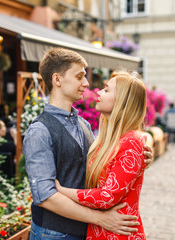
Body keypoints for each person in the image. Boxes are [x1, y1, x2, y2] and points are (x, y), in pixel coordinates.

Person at [23, 48, 154, 240]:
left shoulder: (83, 124)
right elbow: (46, 197)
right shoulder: (39, 131)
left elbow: (104, 167)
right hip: (53, 233)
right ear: (57, 80)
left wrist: (141, 155)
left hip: (85, 231)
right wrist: (100, 219)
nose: (86, 83)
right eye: (79, 77)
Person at [55, 71, 149, 239]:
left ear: (122, 101)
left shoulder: (131, 141)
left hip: (119, 232)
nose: (98, 92)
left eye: (106, 90)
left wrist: (61, 190)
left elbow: (108, 196)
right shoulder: (107, 139)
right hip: (103, 230)